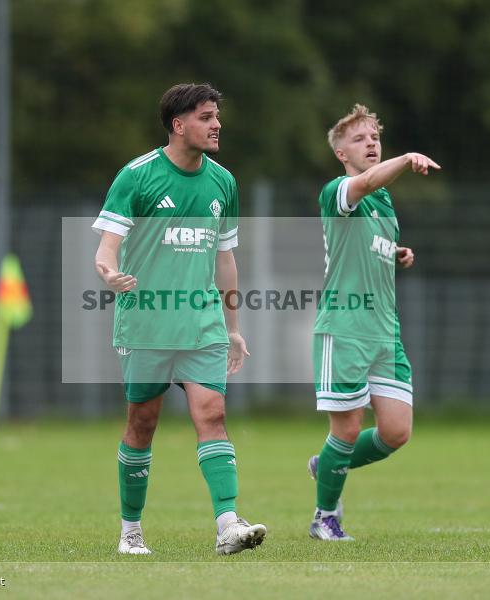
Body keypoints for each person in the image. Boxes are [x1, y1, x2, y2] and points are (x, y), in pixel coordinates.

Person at [92, 83, 266, 556]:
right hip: (147, 323)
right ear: (178, 124)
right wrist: (107, 270)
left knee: (212, 414)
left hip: (202, 323)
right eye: (207, 117)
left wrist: (232, 327)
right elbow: (108, 242)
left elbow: (225, 259)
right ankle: (130, 531)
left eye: (217, 116)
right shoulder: (137, 176)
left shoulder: (223, 182)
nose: (217, 125)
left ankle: (228, 524)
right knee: (142, 424)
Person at [308, 104, 440, 541]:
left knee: (396, 432)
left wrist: (396, 253)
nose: (371, 144)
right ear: (342, 153)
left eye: (375, 138)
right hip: (344, 329)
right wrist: (404, 159)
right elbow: (365, 183)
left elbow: (370, 245)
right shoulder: (340, 190)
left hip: (385, 331)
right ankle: (324, 517)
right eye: (360, 139)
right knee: (346, 428)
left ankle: (326, 464)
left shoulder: (383, 202)